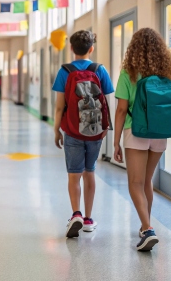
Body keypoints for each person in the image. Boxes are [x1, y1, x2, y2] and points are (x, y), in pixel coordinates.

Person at [113, 28, 171, 252]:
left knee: (135, 182)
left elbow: (121, 110)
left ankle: (148, 229)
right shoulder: (166, 72)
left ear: (133, 49)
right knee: (147, 181)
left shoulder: (128, 72)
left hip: (136, 132)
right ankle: (144, 226)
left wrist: (115, 141)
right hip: (160, 133)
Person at [52, 30, 114, 238]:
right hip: (95, 131)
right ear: (91, 49)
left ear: (71, 48)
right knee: (90, 172)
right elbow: (107, 101)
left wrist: (56, 130)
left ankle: (75, 214)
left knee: (73, 175)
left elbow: (60, 106)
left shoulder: (65, 71)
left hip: (72, 130)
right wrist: (106, 126)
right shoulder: (100, 69)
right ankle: (88, 219)